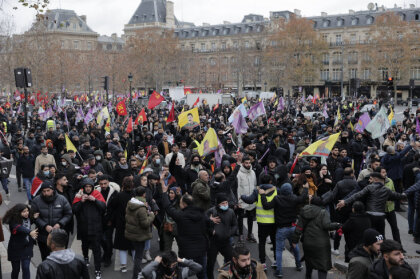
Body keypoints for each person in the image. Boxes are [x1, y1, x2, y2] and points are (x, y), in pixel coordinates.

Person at [260, 182, 307, 277]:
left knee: (278, 250)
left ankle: (279, 271)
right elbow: (302, 198)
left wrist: (262, 195)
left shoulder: (277, 199)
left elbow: (266, 206)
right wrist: (305, 188)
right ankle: (298, 265)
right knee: (295, 246)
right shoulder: (294, 198)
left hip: (281, 229)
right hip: (293, 227)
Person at [337, 172, 406, 236]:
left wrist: (345, 202)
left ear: (375, 180)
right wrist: (406, 194)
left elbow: (357, 195)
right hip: (381, 216)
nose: (369, 181)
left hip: (370, 215)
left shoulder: (369, 187)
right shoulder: (387, 190)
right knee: (381, 236)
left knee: (369, 236)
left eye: (370, 179)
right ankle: (381, 248)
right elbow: (398, 196)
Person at [161, 190, 209, 279]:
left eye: (180, 202)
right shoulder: (202, 214)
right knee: (202, 274)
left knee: (181, 274)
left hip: (186, 251)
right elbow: (209, 226)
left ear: (184, 204)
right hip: (201, 250)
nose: (179, 204)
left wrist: (164, 193)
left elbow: (168, 208)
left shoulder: (181, 215)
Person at [292, 197, 341, 279]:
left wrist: (294, 240)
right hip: (321, 244)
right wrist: (337, 224)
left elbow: (299, 228)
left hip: (307, 242)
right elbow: (327, 225)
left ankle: (308, 277)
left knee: (309, 262)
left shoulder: (304, 211)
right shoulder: (323, 212)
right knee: (322, 265)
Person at [240, 173, 276, 270]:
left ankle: (263, 263)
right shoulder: (276, 190)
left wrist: (242, 196)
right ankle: (276, 261)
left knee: (262, 243)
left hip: (262, 222)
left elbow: (249, 200)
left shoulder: (257, 191)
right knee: (274, 241)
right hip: (274, 221)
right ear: (270, 181)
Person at [72, 178, 106, 279]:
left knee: (97, 250)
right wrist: (81, 201)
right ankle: (85, 257)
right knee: (85, 245)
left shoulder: (97, 195)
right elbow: (74, 210)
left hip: (96, 228)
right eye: (86, 187)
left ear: (92, 187)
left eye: (89, 187)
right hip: (84, 228)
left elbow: (103, 207)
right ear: (83, 188)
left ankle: (97, 270)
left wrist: (95, 200)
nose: (87, 188)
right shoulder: (79, 196)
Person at [31, 180, 72, 261]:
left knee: (60, 259)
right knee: (46, 258)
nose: (46, 193)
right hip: (43, 236)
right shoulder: (36, 200)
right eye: (44, 191)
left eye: (48, 191)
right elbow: (34, 217)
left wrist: (60, 224)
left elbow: (68, 214)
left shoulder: (62, 199)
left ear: (52, 190)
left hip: (59, 236)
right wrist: (45, 226)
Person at [125, 186, 155, 279]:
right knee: (138, 257)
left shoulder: (130, 203)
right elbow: (145, 223)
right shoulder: (141, 207)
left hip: (132, 233)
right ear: (144, 194)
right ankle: (136, 275)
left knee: (137, 254)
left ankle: (138, 272)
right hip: (140, 234)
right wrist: (151, 215)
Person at [206, 193, 237, 279]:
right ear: (218, 204)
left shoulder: (231, 212)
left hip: (226, 242)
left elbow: (234, 225)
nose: (225, 205)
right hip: (213, 242)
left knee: (232, 261)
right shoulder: (211, 211)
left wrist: (230, 233)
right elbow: (203, 224)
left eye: (226, 203)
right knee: (210, 264)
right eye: (223, 203)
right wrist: (211, 229)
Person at [3, 203, 38, 279]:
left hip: (27, 247)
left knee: (26, 268)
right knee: (16, 270)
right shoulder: (13, 221)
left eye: (27, 211)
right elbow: (18, 227)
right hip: (15, 248)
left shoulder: (28, 218)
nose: (26, 213)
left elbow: (29, 222)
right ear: (18, 213)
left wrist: (34, 218)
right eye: (23, 212)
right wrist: (29, 232)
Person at [107, 176, 134, 273]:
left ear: (123, 185)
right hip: (134, 224)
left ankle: (123, 266)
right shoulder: (135, 195)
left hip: (121, 224)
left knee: (122, 247)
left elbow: (111, 207)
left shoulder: (119, 196)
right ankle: (136, 263)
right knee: (133, 246)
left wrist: (110, 219)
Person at [94, 174, 120, 267]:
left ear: (108, 182)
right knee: (100, 239)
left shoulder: (115, 193)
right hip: (99, 220)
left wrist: (111, 220)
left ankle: (108, 257)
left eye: (105, 183)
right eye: (101, 184)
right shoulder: (96, 192)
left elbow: (116, 209)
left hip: (109, 221)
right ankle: (106, 253)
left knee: (108, 240)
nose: (103, 186)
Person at [236, 156, 257, 243]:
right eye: (246, 163)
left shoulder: (253, 172)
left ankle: (250, 234)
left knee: (250, 217)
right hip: (242, 200)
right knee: (240, 218)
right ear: (243, 163)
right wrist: (238, 200)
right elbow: (237, 188)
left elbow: (255, 185)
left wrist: (254, 198)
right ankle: (241, 234)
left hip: (251, 199)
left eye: (249, 163)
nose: (248, 164)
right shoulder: (239, 174)